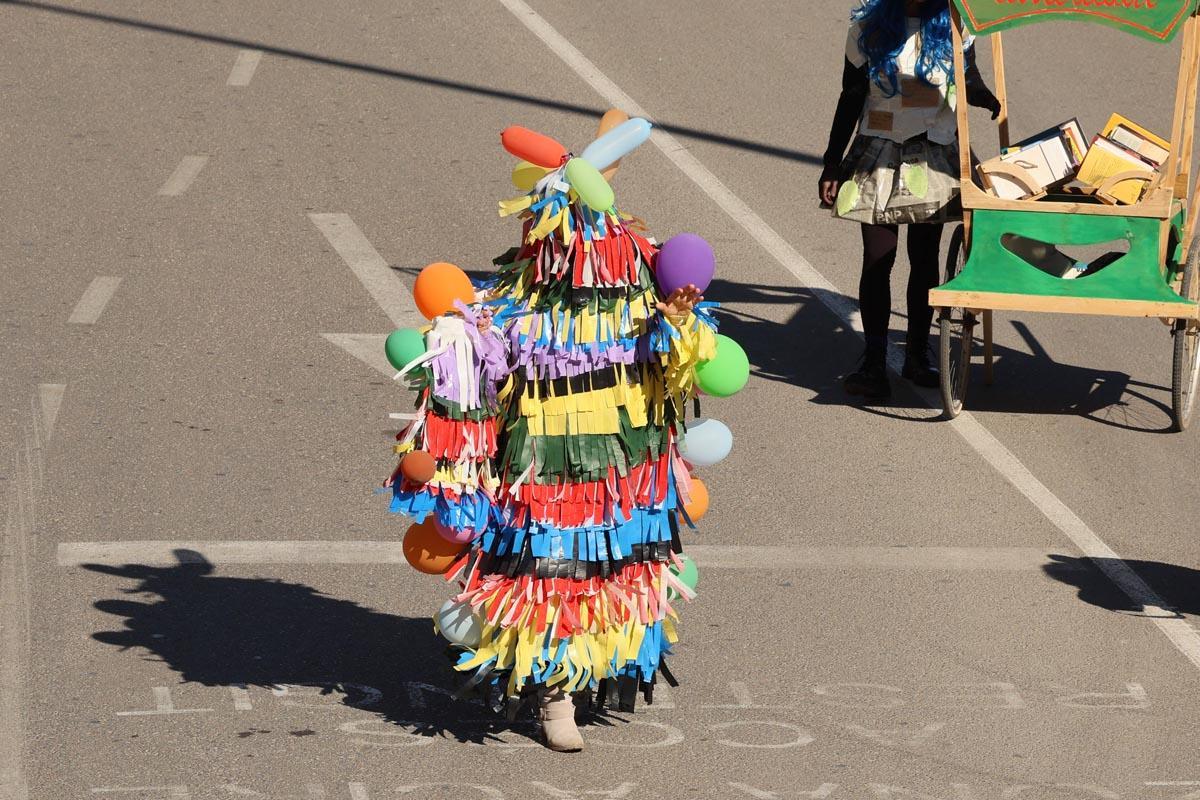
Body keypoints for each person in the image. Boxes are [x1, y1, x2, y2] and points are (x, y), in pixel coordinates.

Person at [386, 129, 717, 751]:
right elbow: (479, 369)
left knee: (611, 574)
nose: (573, 251)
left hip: (621, 478)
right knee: (547, 575)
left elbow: (679, 371)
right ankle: (553, 695)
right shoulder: (514, 310)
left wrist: (678, 322)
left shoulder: (640, 305)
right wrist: (456, 344)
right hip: (540, 477)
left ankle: (582, 673)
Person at [820, 0, 1000, 399]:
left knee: (924, 260)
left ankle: (918, 354)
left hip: (932, 156)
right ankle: (873, 361)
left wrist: (985, 97)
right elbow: (851, 95)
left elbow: (968, 77)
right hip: (880, 151)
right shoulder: (866, 29)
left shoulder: (957, 27)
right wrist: (832, 162)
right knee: (878, 259)